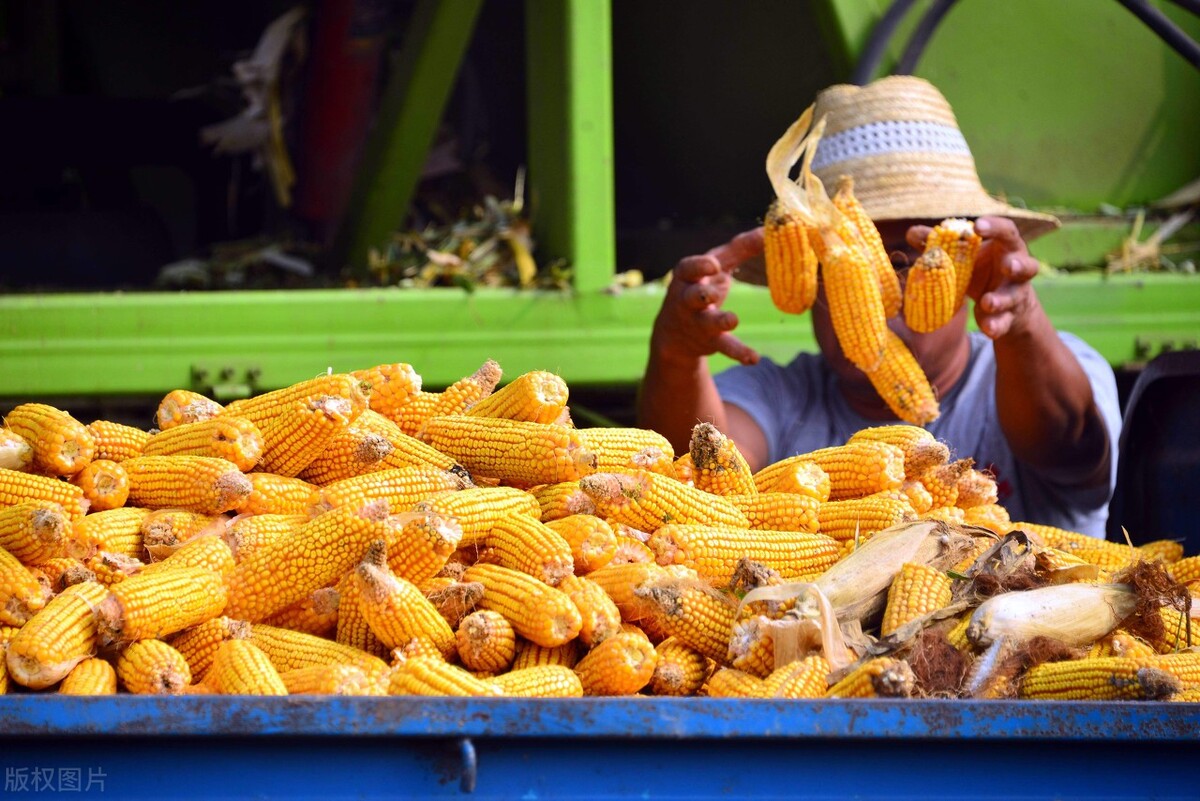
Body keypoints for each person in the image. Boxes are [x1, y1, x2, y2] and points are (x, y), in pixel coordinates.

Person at [636, 76, 1121, 538]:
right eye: (841, 264)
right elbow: (699, 480)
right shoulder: (782, 395)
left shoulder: (1043, 368)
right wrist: (677, 356)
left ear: (970, 269)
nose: (873, 291)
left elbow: (1075, 455)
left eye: (903, 262)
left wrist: (1023, 325)